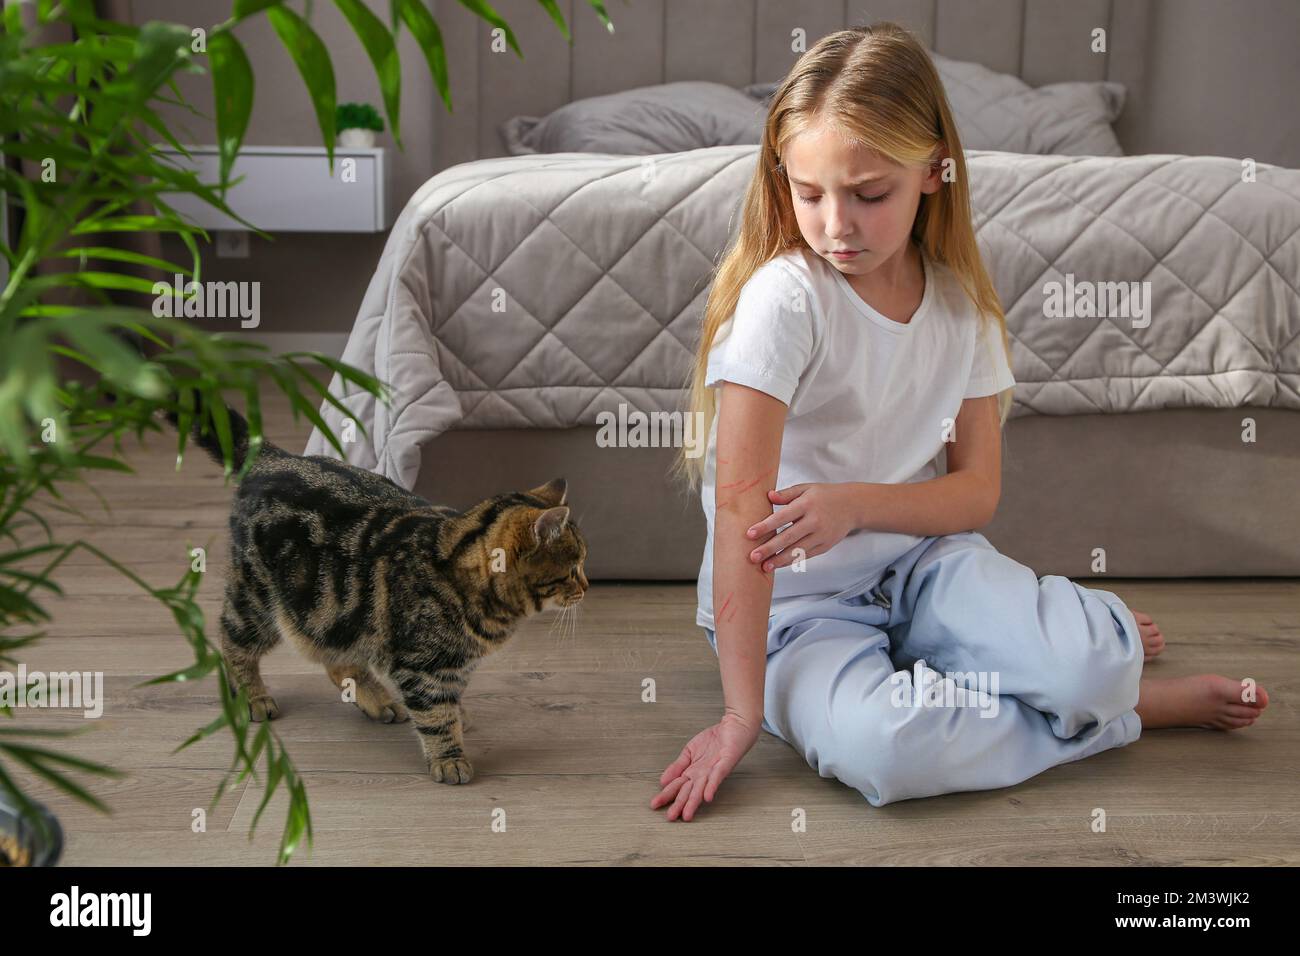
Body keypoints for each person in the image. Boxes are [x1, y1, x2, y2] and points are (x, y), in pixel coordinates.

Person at [653, 22, 1269, 823]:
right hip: (796, 614)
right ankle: (1129, 708)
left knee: (1087, 663)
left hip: (921, 567)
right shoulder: (785, 299)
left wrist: (855, 505)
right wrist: (741, 714)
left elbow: (975, 494)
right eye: (809, 194)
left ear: (933, 171)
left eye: (869, 194)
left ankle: (1086, 662)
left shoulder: (960, 304)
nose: (835, 224)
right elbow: (740, 510)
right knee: (888, 751)